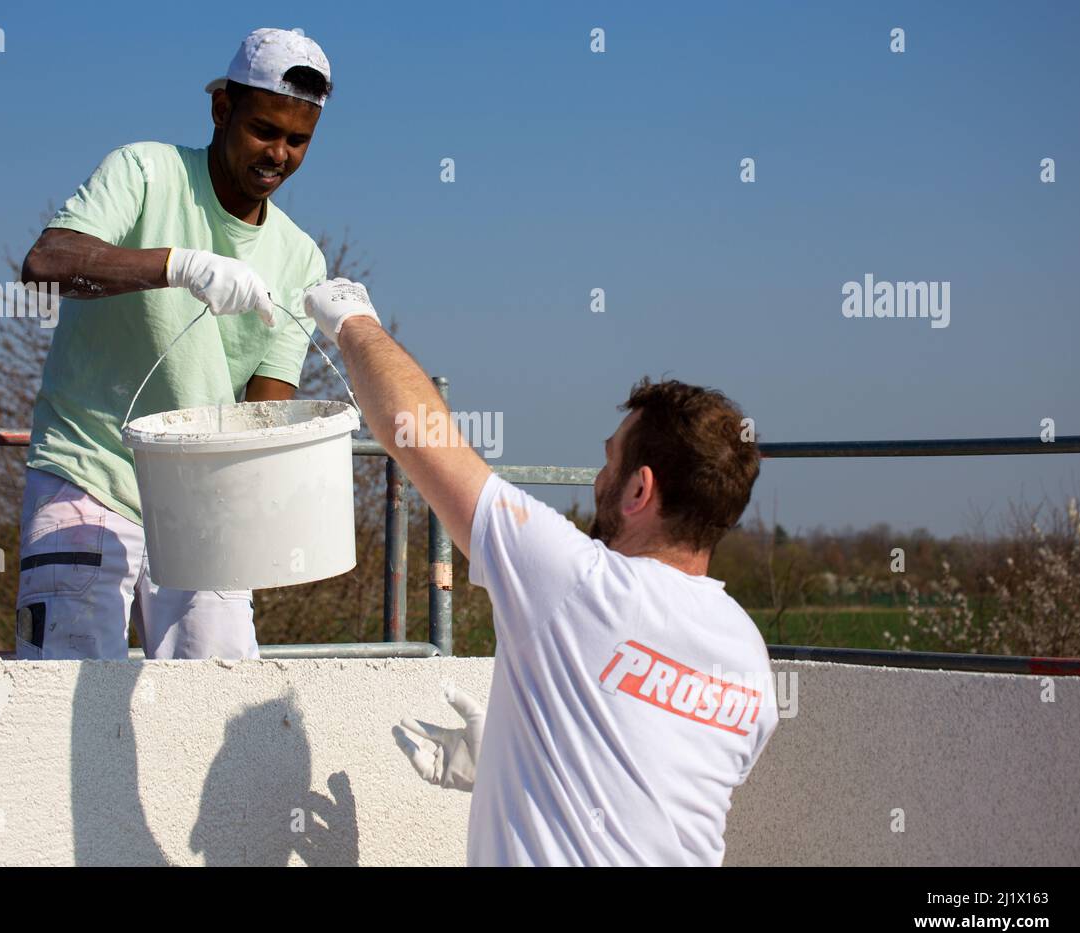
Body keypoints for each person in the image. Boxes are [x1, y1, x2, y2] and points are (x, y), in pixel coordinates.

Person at [302, 278, 778, 866]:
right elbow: (653, 775)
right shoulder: (748, 656)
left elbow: (414, 429)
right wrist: (511, 755)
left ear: (638, 489)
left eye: (609, 460)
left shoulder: (579, 583)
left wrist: (352, 321)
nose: (597, 478)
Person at [15, 28, 332, 661]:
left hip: (202, 505)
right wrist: (176, 265)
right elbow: (45, 263)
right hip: (90, 475)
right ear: (222, 111)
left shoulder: (300, 260)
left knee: (219, 708)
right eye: (264, 130)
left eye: (297, 140)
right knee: (67, 700)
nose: (279, 153)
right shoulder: (145, 171)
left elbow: (262, 412)